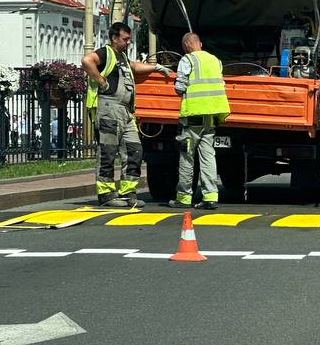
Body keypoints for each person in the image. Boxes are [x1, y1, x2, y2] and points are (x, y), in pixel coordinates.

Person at [83, 21, 172, 208]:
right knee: (108, 152)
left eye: (129, 39)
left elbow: (133, 66)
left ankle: (127, 193)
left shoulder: (121, 56)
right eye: (125, 39)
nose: (128, 42)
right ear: (114, 38)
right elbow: (86, 61)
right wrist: (102, 82)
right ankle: (106, 195)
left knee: (134, 150)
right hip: (109, 109)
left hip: (125, 111)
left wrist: (155, 67)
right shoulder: (105, 53)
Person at [173, 31, 232, 210]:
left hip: (193, 117)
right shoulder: (215, 60)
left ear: (187, 46)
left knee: (187, 158)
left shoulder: (187, 60)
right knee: (208, 157)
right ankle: (210, 197)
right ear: (200, 43)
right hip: (211, 117)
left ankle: (183, 198)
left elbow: (179, 87)